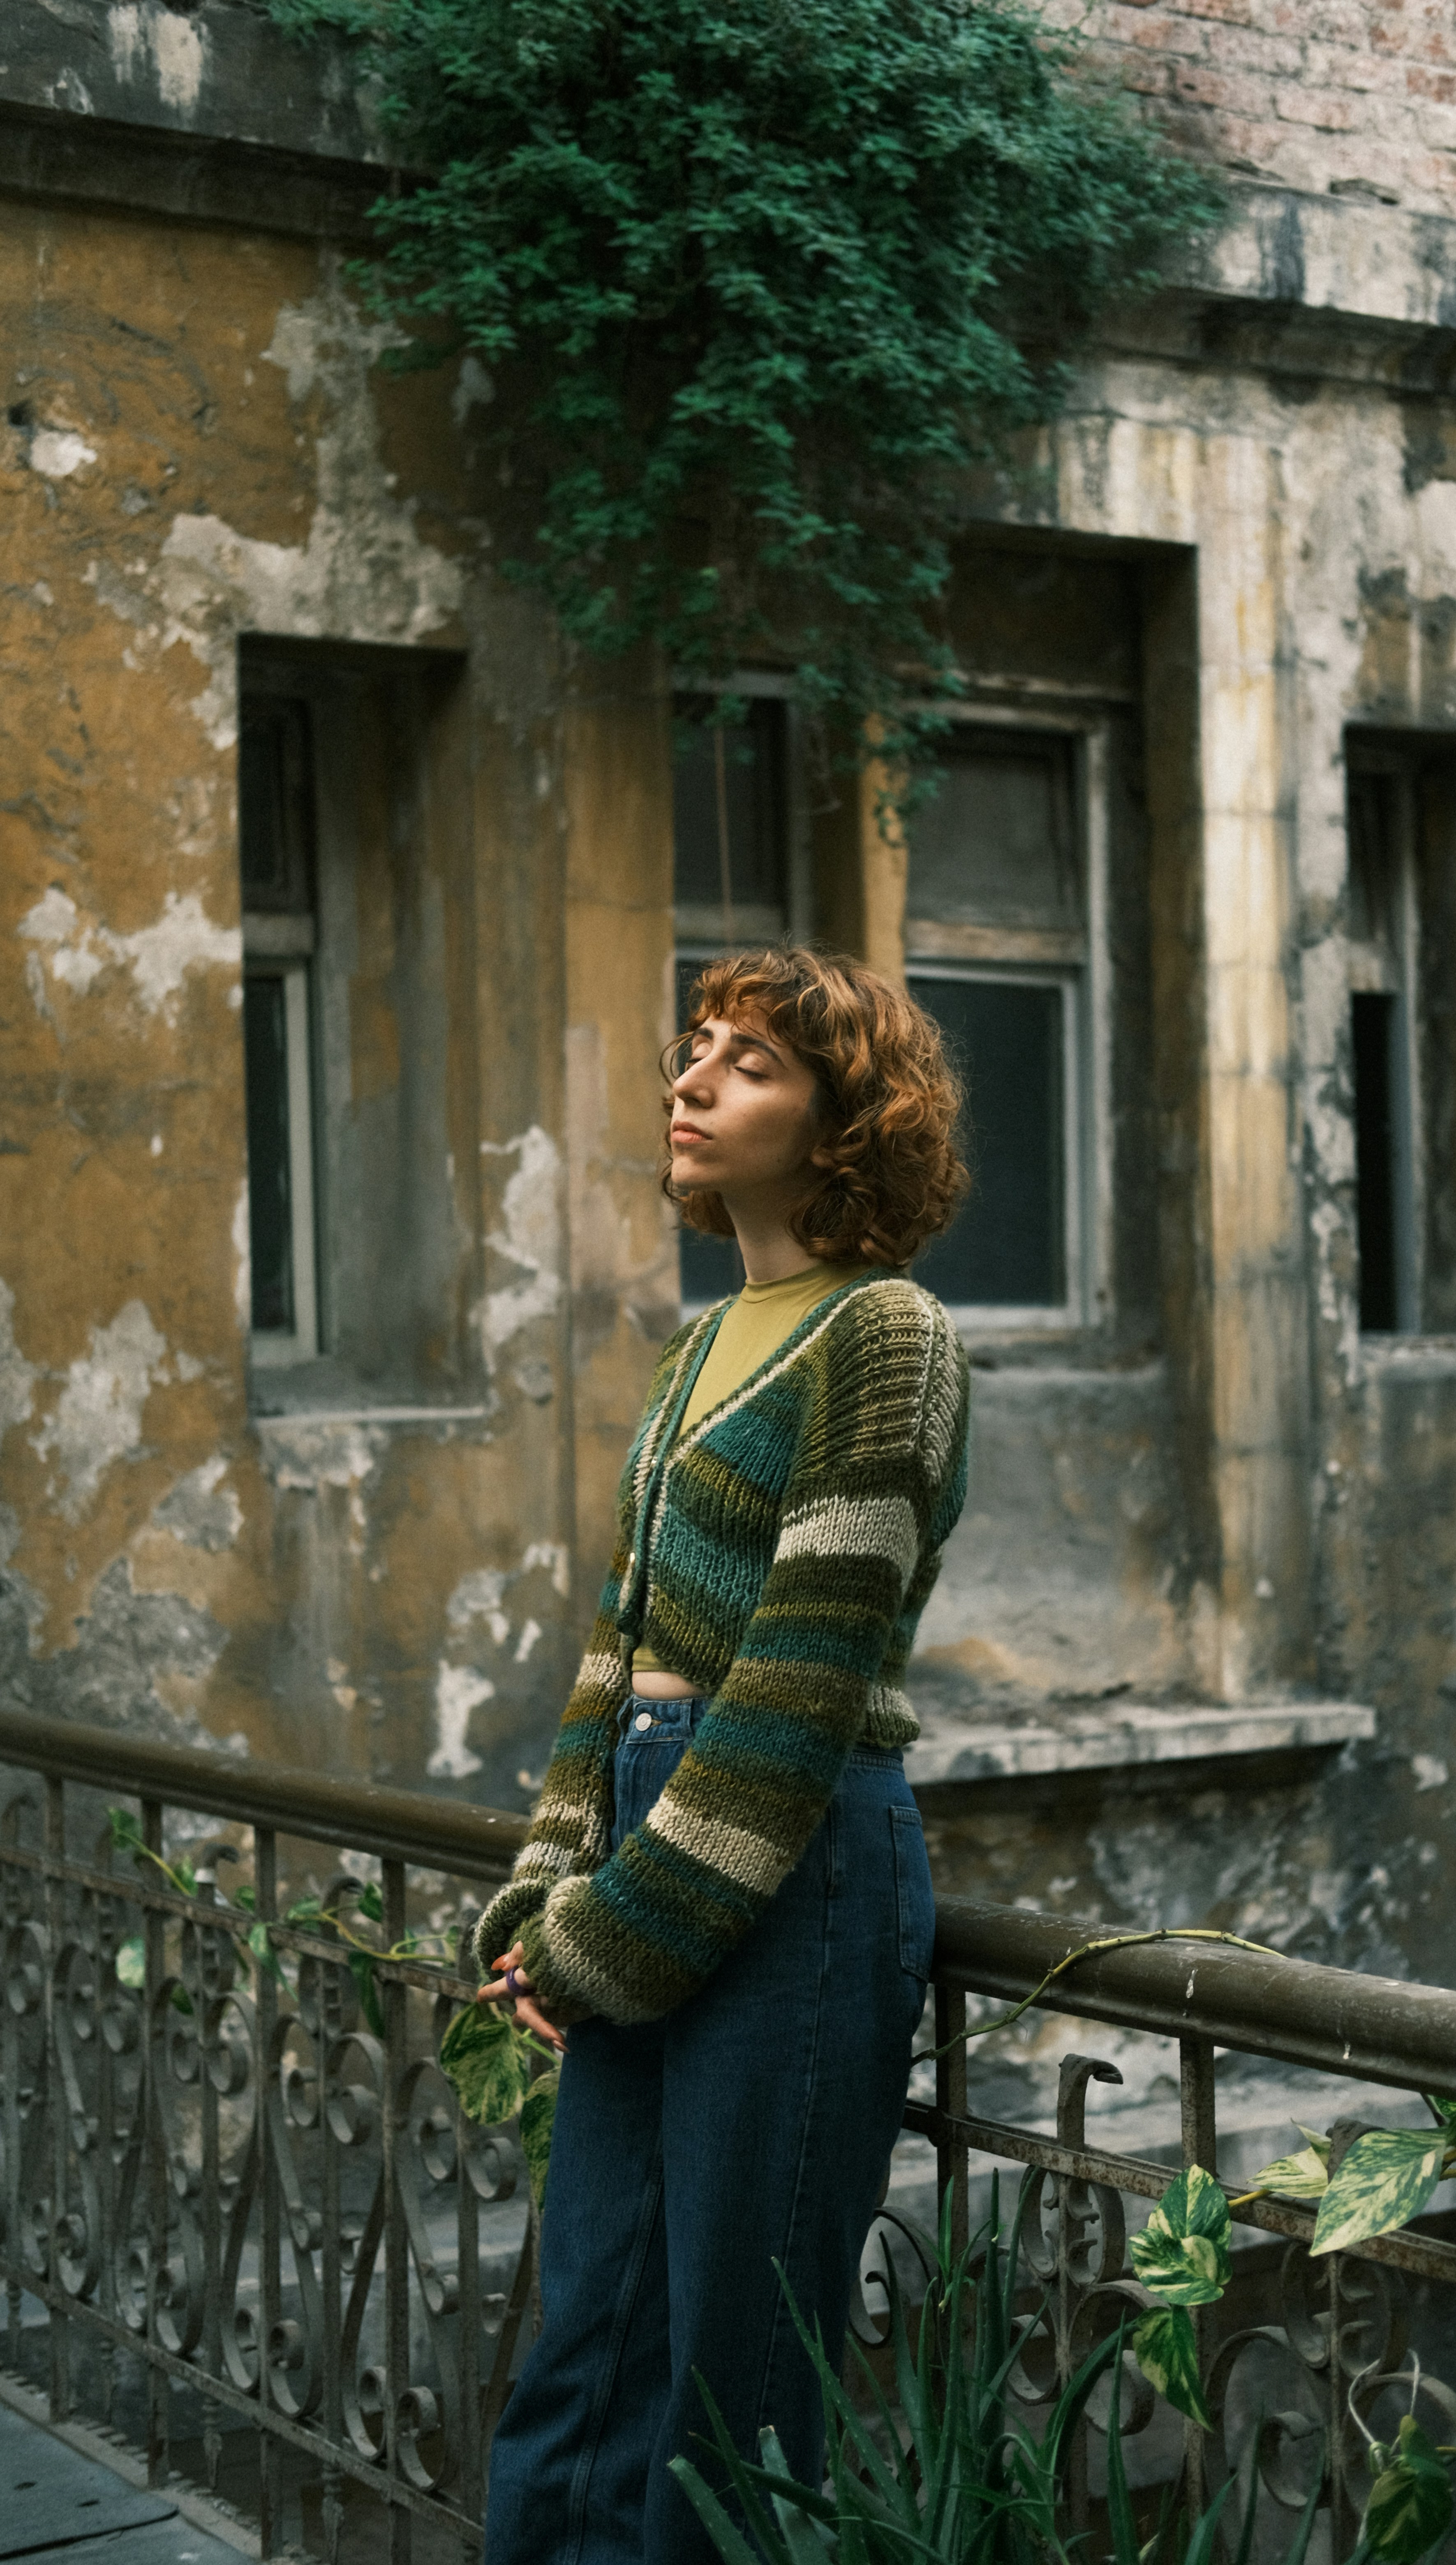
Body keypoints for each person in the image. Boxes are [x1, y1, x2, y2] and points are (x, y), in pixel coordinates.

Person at [473, 945, 971, 2565]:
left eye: (748, 1063)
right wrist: (547, 1884)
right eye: (694, 1048)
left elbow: (797, 1688)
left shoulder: (885, 1337)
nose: (689, 1080)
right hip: (655, 1851)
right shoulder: (698, 1349)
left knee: (727, 2390)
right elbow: (616, 1651)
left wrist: (609, 1939)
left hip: (797, 1871)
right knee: (584, 2347)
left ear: (847, 1119)